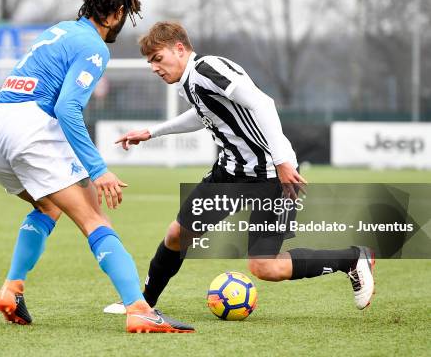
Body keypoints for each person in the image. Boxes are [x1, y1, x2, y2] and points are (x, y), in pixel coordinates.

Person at [103, 21, 375, 315]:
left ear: (179, 49)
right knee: (177, 235)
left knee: (265, 266)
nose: (154, 68)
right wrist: (152, 133)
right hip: (230, 173)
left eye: (158, 58)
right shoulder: (190, 82)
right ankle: (144, 302)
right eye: (150, 62)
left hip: (269, 176)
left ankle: (351, 259)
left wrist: (281, 161)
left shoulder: (208, 69)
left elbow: (263, 103)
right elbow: (201, 114)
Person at [0, 0, 193, 333]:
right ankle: (139, 309)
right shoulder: (94, 46)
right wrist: (98, 169)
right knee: (94, 218)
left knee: (48, 207)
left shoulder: (59, 30)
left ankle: (12, 287)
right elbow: (67, 109)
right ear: (117, 12)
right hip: (29, 126)